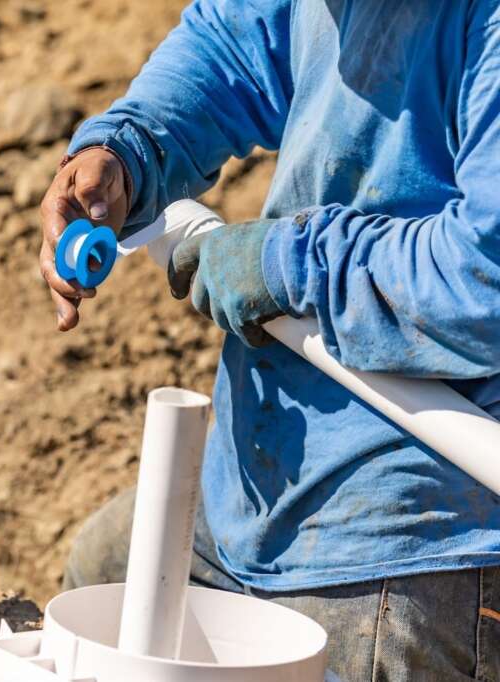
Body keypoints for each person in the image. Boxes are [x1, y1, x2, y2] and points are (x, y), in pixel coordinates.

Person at [38, 1, 500, 679]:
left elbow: (486, 283)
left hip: (421, 523)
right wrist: (127, 150)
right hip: (262, 474)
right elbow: (237, 42)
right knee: (104, 574)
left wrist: (290, 264)